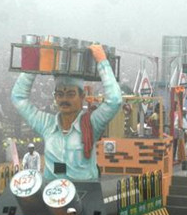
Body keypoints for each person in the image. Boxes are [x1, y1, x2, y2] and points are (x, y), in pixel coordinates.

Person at [11, 44, 122, 181]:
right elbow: (18, 98)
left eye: (70, 94)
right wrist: (34, 62)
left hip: (84, 193)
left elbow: (115, 100)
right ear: (55, 97)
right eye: (60, 95)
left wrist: (102, 63)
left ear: (82, 97)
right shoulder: (47, 124)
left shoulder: (91, 124)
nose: (64, 100)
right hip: (51, 193)